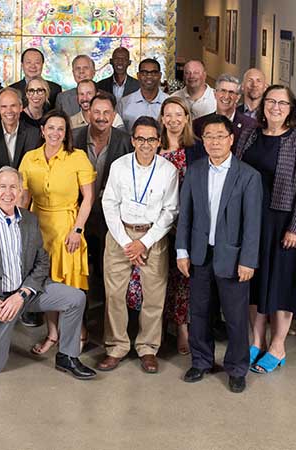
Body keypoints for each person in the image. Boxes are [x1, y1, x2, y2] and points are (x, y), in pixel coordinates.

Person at [0, 167, 96, 379]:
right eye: (3, 186)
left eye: (14, 187)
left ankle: (67, 356)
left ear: (21, 191)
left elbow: (41, 261)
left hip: (26, 294)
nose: (8, 192)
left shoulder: (30, 219)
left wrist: (23, 294)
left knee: (75, 298)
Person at [177, 114, 262, 393]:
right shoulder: (195, 171)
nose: (214, 142)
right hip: (200, 254)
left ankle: (236, 368)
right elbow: (185, 215)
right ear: (202, 141)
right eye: (209, 136)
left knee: (235, 317)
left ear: (231, 139)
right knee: (199, 312)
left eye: (220, 136)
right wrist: (182, 251)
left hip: (234, 257)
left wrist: (248, 260)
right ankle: (201, 361)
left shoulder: (248, 176)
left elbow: (252, 223)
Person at [242, 84, 296, 374]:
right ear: (263, 106)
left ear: (291, 109)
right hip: (252, 221)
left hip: (283, 222)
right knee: (255, 284)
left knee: (281, 286)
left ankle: (278, 346)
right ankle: (256, 341)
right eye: (270, 101)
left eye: (282, 103)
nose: (275, 107)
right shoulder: (249, 134)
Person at [98, 116, 178, 373]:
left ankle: (148, 348)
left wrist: (144, 243)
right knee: (114, 295)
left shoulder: (168, 170)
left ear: (159, 141)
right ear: (132, 140)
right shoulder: (119, 166)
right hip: (120, 234)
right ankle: (116, 347)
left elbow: (170, 210)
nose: (146, 144)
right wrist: (126, 242)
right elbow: (109, 204)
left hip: (152, 236)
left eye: (151, 139)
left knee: (154, 295)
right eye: (141, 139)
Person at [17, 110, 96, 355]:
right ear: (42, 131)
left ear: (66, 133)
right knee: (45, 283)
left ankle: (79, 332)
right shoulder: (29, 158)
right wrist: (20, 231)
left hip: (67, 227)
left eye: (60, 128)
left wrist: (77, 230)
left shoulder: (78, 157)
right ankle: (52, 333)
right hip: (38, 226)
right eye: (50, 127)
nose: (55, 133)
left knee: (69, 284)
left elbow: (88, 197)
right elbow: (23, 198)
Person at [73, 92, 134, 319]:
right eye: (96, 112)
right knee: (78, 269)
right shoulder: (74, 138)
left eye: (107, 112)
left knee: (106, 269)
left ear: (114, 114)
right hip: (77, 214)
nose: (101, 117)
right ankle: (80, 319)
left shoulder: (125, 141)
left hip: (112, 218)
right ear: (88, 113)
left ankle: (105, 319)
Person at [156, 97, 203, 354]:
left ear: (186, 118)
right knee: (158, 275)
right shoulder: (154, 147)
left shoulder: (196, 149)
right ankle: (159, 326)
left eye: (178, 114)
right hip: (157, 223)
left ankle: (183, 328)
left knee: (183, 278)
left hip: (187, 222)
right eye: (168, 115)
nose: (173, 120)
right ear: (162, 119)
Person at [0, 87, 40, 175]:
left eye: (13, 106)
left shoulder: (34, 134)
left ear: (21, 107)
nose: (9, 111)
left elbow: (37, 171)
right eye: (4, 106)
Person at [192, 74, 256, 152]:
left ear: (238, 98)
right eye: (223, 91)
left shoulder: (250, 125)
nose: (226, 96)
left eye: (231, 92)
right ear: (215, 94)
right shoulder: (198, 124)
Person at [120, 58, 169, 130]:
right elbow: (118, 133)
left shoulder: (169, 102)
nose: (149, 76)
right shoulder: (124, 104)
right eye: (144, 73)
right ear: (138, 75)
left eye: (153, 73)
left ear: (160, 75)